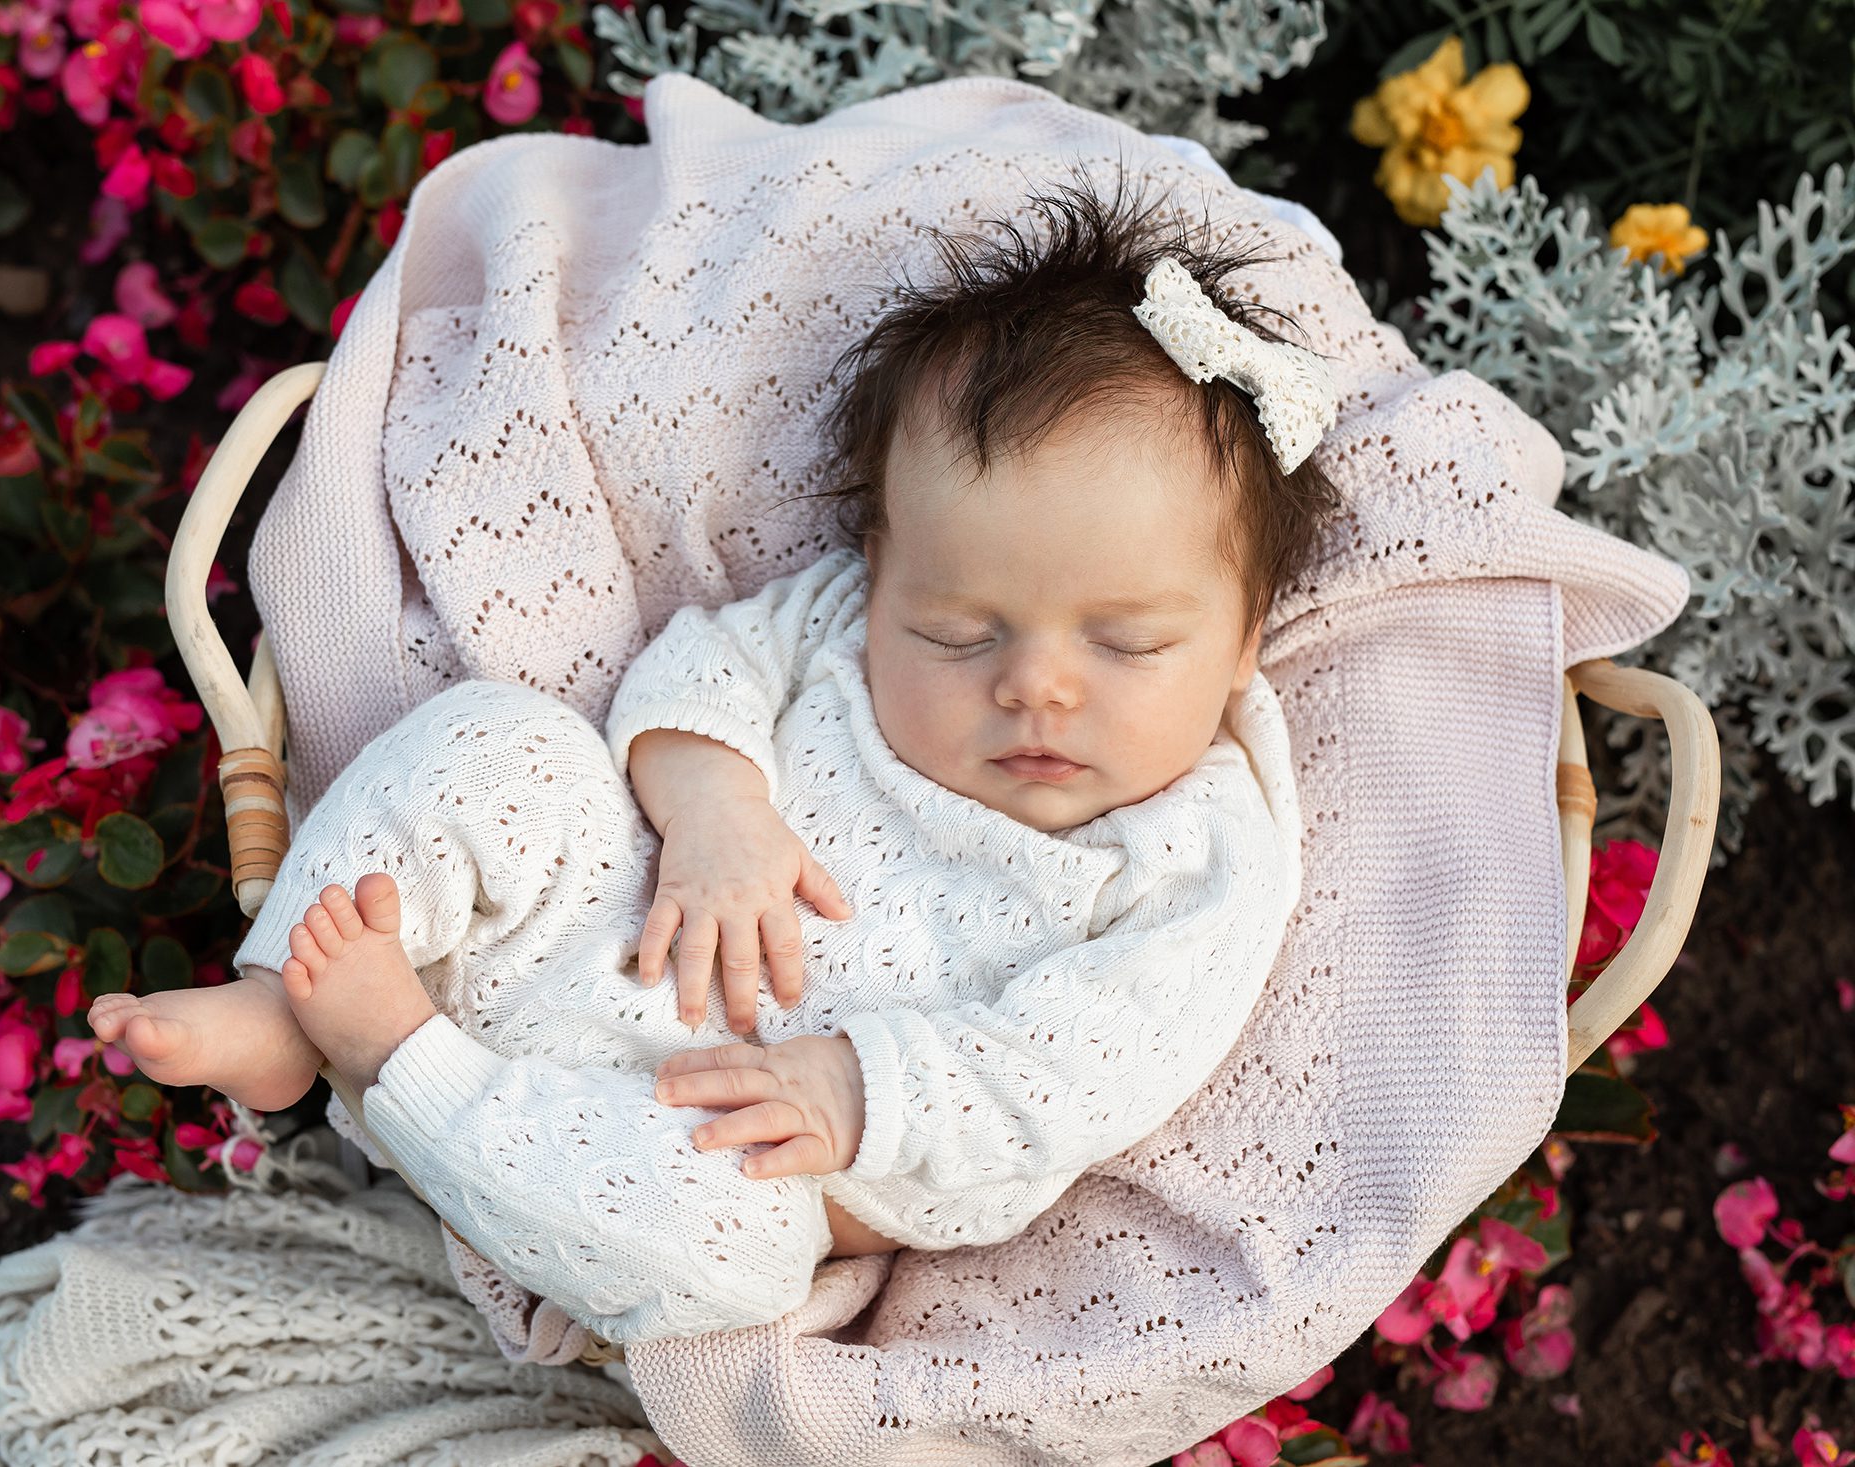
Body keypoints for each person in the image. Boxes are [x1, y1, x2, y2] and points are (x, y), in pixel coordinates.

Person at [90, 171, 1339, 1345]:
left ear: (1240, 647)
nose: (1033, 684)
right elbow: (699, 669)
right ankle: (279, 1002)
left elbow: (1094, 1057)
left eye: (1125, 645)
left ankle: (397, 1062)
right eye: (954, 631)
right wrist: (713, 802)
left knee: (731, 1255)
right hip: (596, 916)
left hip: (730, 1132)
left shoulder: (1198, 849)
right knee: (504, 737)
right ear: (886, 568)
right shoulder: (841, 618)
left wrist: (855, 1091)